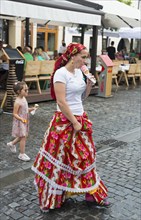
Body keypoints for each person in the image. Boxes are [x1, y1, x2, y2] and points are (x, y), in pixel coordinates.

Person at [32, 43, 109, 212]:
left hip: (80, 118)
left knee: (86, 156)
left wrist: (89, 84)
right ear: (73, 55)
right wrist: (74, 122)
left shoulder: (80, 71)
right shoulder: (61, 73)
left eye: (87, 56)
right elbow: (61, 101)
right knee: (61, 160)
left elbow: (82, 97)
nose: (85, 59)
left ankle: (92, 193)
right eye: (83, 56)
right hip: (64, 121)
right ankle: (56, 197)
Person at [7, 81, 37, 161]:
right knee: (23, 136)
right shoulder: (17, 102)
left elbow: (25, 109)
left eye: (27, 89)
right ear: (18, 92)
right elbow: (14, 114)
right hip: (20, 122)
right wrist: (21, 119)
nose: (27, 91)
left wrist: (31, 109)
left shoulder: (23, 98)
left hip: (24, 120)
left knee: (23, 135)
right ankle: (22, 154)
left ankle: (11, 144)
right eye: (25, 90)